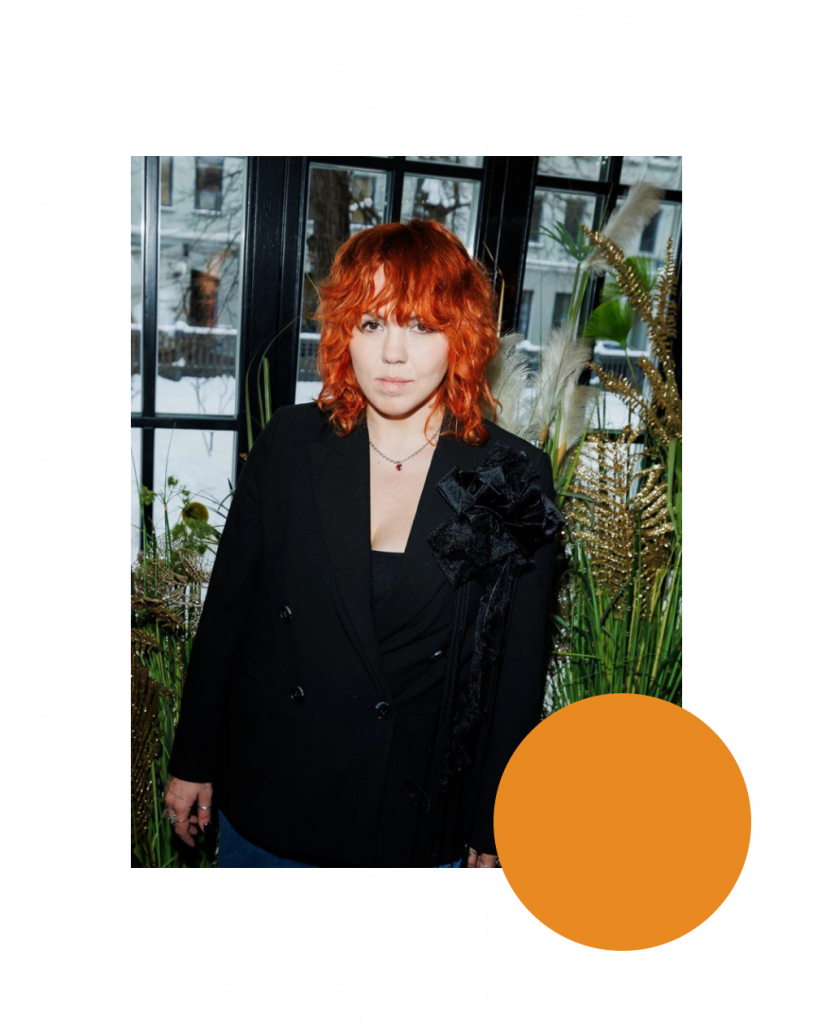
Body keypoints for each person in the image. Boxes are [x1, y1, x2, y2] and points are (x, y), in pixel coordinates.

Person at [164, 219, 564, 868]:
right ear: (344, 331)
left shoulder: (511, 474)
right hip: (273, 795)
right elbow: (227, 616)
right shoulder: (291, 443)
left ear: (461, 335)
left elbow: (516, 671)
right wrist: (192, 759)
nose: (392, 354)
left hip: (415, 814)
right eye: (372, 323)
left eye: (421, 326)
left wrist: (494, 817)